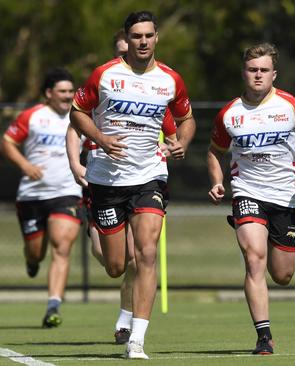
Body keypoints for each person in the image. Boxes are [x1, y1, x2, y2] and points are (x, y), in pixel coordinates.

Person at [70, 11, 196, 359]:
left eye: (149, 36)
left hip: (150, 176)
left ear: (157, 38)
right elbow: (77, 112)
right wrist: (100, 138)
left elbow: (186, 119)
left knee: (147, 253)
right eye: (137, 36)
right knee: (116, 266)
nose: (143, 42)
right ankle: (99, 234)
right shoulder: (106, 75)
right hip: (107, 179)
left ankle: (136, 339)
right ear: (127, 39)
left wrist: (182, 141)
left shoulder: (170, 80)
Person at [207, 43, 295, 355]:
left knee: (283, 274)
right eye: (252, 70)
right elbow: (214, 151)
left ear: (274, 74)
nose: (258, 75)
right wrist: (217, 180)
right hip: (247, 192)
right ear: (244, 73)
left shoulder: (293, 107)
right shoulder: (230, 114)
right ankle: (264, 337)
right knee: (254, 259)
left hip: (286, 196)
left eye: (264, 70)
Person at [0, 67, 82, 328]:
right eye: (62, 91)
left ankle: (53, 305)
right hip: (32, 195)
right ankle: (31, 260)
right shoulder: (32, 116)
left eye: (71, 91)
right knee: (37, 252)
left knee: (62, 246)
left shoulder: (80, 117)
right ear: (48, 93)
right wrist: (24, 165)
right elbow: (7, 142)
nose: (68, 96)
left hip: (67, 192)